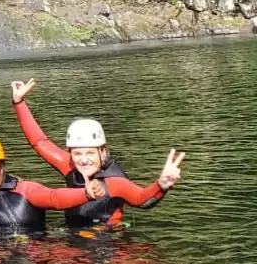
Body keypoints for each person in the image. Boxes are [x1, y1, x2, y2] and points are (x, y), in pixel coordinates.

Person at [10, 78, 185, 228]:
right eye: (77, 154)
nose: (84, 160)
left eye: (90, 153)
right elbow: (40, 142)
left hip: (108, 242)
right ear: (70, 153)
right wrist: (19, 102)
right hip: (74, 238)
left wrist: (161, 185)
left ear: (102, 151)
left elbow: (142, 200)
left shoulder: (115, 181)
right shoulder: (68, 165)